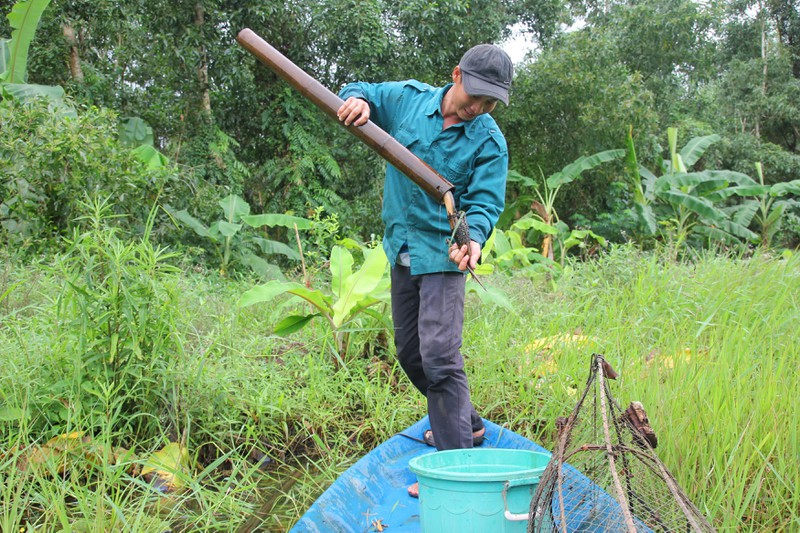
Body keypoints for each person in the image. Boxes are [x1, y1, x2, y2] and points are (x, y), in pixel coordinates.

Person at [336, 44, 512, 498]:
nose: (479, 108)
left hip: (443, 258)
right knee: (410, 353)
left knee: (439, 357)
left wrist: (472, 240)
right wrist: (356, 101)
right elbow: (363, 90)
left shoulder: (488, 141)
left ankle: (455, 475)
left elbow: (486, 202)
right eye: (476, 96)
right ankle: (467, 426)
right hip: (402, 249)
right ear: (456, 75)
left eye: (490, 102)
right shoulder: (408, 100)